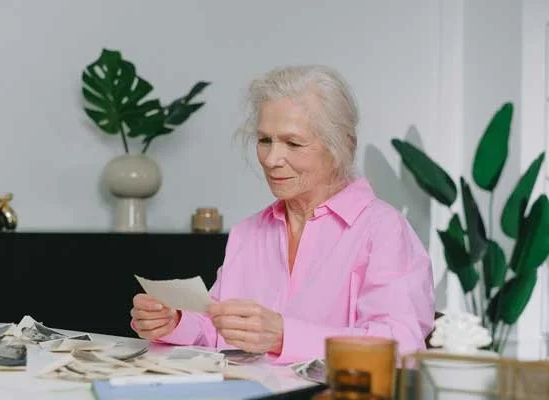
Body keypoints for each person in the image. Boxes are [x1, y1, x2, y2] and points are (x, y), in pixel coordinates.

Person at [130, 65, 435, 364]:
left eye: (293, 143)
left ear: (344, 145)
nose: (272, 159)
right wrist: (175, 322)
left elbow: (401, 347)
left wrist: (283, 336)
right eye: (265, 140)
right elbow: (220, 331)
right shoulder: (248, 233)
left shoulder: (383, 229)